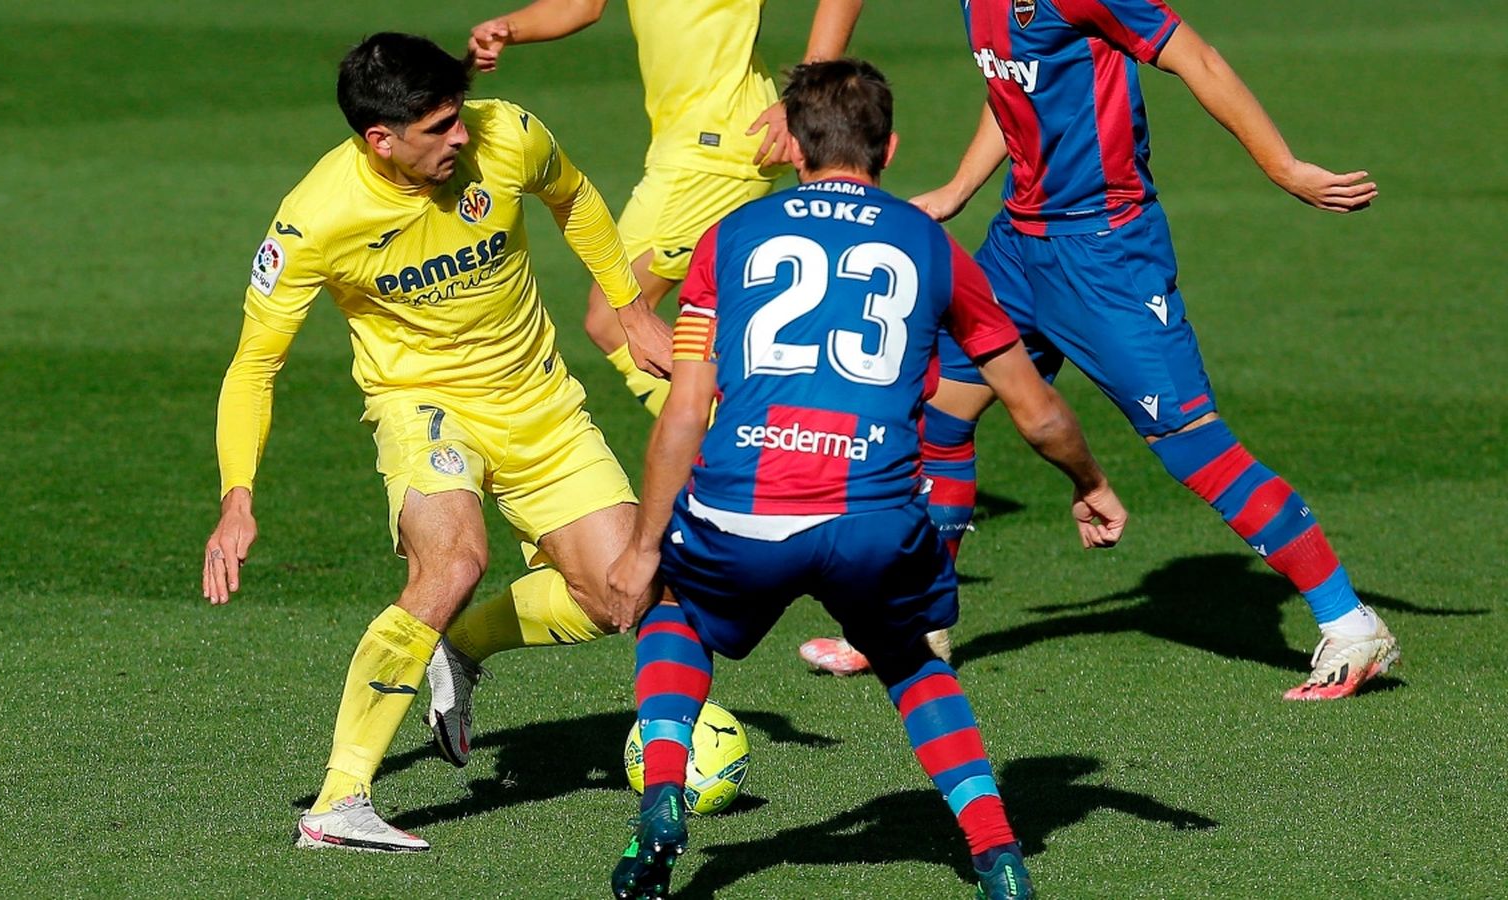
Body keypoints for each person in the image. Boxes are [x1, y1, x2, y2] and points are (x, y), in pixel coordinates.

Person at [604, 59, 1127, 900]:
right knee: (912, 662)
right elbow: (1036, 411)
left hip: (744, 510)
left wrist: (642, 546)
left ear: (794, 146)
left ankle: (663, 796)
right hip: (876, 518)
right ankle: (996, 853)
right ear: (890, 145)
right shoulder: (931, 244)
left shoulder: (728, 237)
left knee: (675, 610)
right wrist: (1089, 482)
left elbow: (683, 410)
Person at [805, 0, 1401, 700]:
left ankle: (1352, 626)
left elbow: (1198, 59)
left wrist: (1285, 167)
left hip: (1106, 251)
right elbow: (1014, 88)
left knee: (1192, 446)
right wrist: (960, 189)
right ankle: (919, 625)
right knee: (938, 410)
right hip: (1019, 247)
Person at [200, 32, 674, 852]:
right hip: (425, 408)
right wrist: (237, 498)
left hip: (542, 406)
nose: (461, 136)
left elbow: (578, 198)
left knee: (624, 595)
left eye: (459, 117)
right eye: (439, 126)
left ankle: (458, 645)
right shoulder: (317, 219)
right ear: (380, 139)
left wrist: (630, 307)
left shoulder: (507, 134)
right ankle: (339, 802)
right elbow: (254, 365)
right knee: (453, 561)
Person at [466, 0, 865, 416]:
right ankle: (746, 445)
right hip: (693, 148)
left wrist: (804, 94)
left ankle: (738, 449)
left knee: (612, 317)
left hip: (717, 150)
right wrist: (510, 27)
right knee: (641, 315)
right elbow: (580, 6)